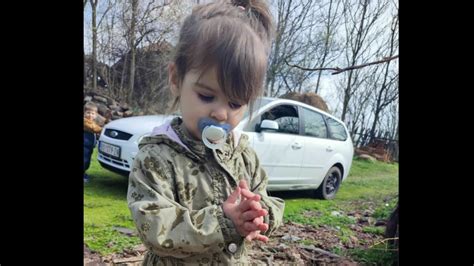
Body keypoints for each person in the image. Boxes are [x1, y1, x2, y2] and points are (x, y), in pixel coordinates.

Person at [127, 0, 285, 264]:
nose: (221, 113)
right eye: (207, 96)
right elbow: (155, 227)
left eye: (235, 103)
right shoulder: (157, 157)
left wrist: (259, 214)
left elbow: (268, 198)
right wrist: (223, 221)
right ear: (176, 79)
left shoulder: (243, 156)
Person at [84, 101, 102, 183]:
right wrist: (102, 129)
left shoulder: (92, 122)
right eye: (88, 113)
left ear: (96, 115)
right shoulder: (85, 122)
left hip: (89, 146)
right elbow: (94, 128)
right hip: (84, 146)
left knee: (87, 160)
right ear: (84, 113)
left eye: (92, 113)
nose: (90, 115)